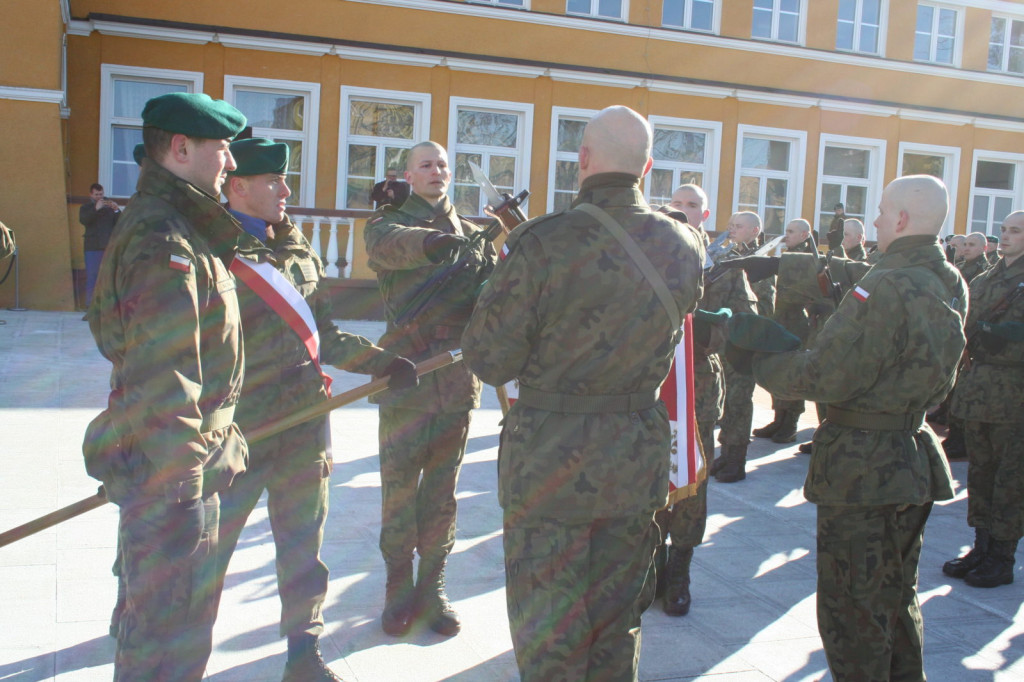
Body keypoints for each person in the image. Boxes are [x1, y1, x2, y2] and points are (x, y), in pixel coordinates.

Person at [463, 105, 705, 681]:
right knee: (617, 623)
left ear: (584, 161)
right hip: (634, 456)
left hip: (550, 460)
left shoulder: (542, 241)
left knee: (550, 628)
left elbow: (489, 358)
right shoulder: (685, 245)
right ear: (646, 166)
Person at [729, 174, 967, 681]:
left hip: (864, 466)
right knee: (896, 598)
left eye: (882, 212)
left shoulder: (882, 286)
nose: (876, 220)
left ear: (901, 220)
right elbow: (853, 272)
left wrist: (758, 363)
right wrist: (784, 264)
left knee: (853, 611)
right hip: (910, 452)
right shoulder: (948, 279)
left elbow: (828, 375)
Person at [214, 138, 417, 681]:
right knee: (209, 547)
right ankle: (175, 650)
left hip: (304, 423)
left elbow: (321, 333)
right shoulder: (210, 247)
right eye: (274, 182)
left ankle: (304, 653)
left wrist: (381, 362)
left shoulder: (294, 241)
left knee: (304, 545)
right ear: (239, 187)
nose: (286, 191)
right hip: (239, 428)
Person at [83, 92, 251, 682]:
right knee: (168, 641)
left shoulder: (182, 226)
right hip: (173, 477)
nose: (230, 164)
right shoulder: (165, 240)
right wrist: (182, 491)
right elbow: (166, 376)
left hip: (179, 467)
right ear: (182, 149)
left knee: (168, 630)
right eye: (222, 149)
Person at [364, 140, 497, 637]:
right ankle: (397, 592)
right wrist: (436, 244)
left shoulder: (473, 232)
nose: (437, 170)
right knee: (399, 492)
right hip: (406, 377)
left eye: (442, 164)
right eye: (426, 164)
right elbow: (392, 247)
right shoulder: (386, 223)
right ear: (409, 175)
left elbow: (491, 295)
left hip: (458, 382)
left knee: (443, 493)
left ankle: (432, 590)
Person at [655, 184, 754, 613]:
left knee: (692, 479)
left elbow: (743, 321)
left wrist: (713, 325)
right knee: (648, 472)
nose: (683, 210)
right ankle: (650, 564)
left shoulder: (726, 266)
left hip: (696, 384)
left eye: (691, 205)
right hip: (651, 383)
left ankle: (680, 568)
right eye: (676, 204)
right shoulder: (645, 256)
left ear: (705, 214)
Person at [943, 210, 1024, 588]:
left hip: (1015, 394)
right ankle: (981, 545)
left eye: (1015, 231)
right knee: (981, 472)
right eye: (1004, 230)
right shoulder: (989, 275)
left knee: (1011, 478)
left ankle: (1002, 557)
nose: (1006, 237)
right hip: (980, 391)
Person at [713, 211, 767, 482]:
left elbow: (759, 305)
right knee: (727, 402)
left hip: (742, 343)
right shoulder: (721, 257)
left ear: (755, 230)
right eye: (730, 224)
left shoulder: (758, 262)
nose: (732, 229)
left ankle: (737, 458)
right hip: (721, 343)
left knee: (739, 401)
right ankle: (725, 454)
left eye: (738, 226)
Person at [752, 218, 815, 444]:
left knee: (793, 373)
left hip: (798, 324)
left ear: (805, 235)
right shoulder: (787, 256)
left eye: (791, 231)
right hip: (782, 321)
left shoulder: (806, 260)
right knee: (779, 371)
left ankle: (790, 423)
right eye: (786, 231)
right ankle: (779, 418)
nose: (786, 235)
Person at [78, 182, 121, 312]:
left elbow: (120, 223)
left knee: (108, 277)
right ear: (91, 194)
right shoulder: (86, 207)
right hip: (92, 247)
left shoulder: (108, 207)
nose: (99, 196)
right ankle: (90, 307)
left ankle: (107, 307)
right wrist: (96, 208)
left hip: (108, 247)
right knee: (92, 276)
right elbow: (84, 220)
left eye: (101, 194)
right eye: (96, 194)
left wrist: (117, 210)